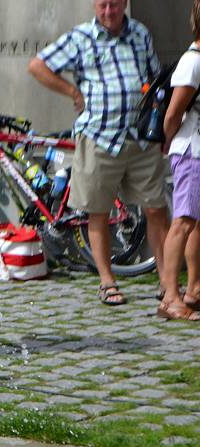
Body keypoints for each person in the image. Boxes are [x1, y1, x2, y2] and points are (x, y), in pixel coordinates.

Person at [28, 0, 170, 306]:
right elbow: (38, 66)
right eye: (103, 5)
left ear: (125, 4)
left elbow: (155, 76)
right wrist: (72, 92)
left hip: (139, 138)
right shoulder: (81, 37)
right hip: (98, 137)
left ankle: (166, 281)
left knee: (157, 208)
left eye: (115, 4)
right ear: (95, 5)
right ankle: (107, 281)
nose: (109, 11)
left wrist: (158, 117)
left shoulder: (140, 34)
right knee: (98, 212)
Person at [160, 0, 200, 321]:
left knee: (196, 222)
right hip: (191, 150)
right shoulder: (192, 62)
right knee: (183, 222)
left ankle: (194, 288)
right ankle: (170, 297)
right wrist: (168, 140)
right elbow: (173, 114)